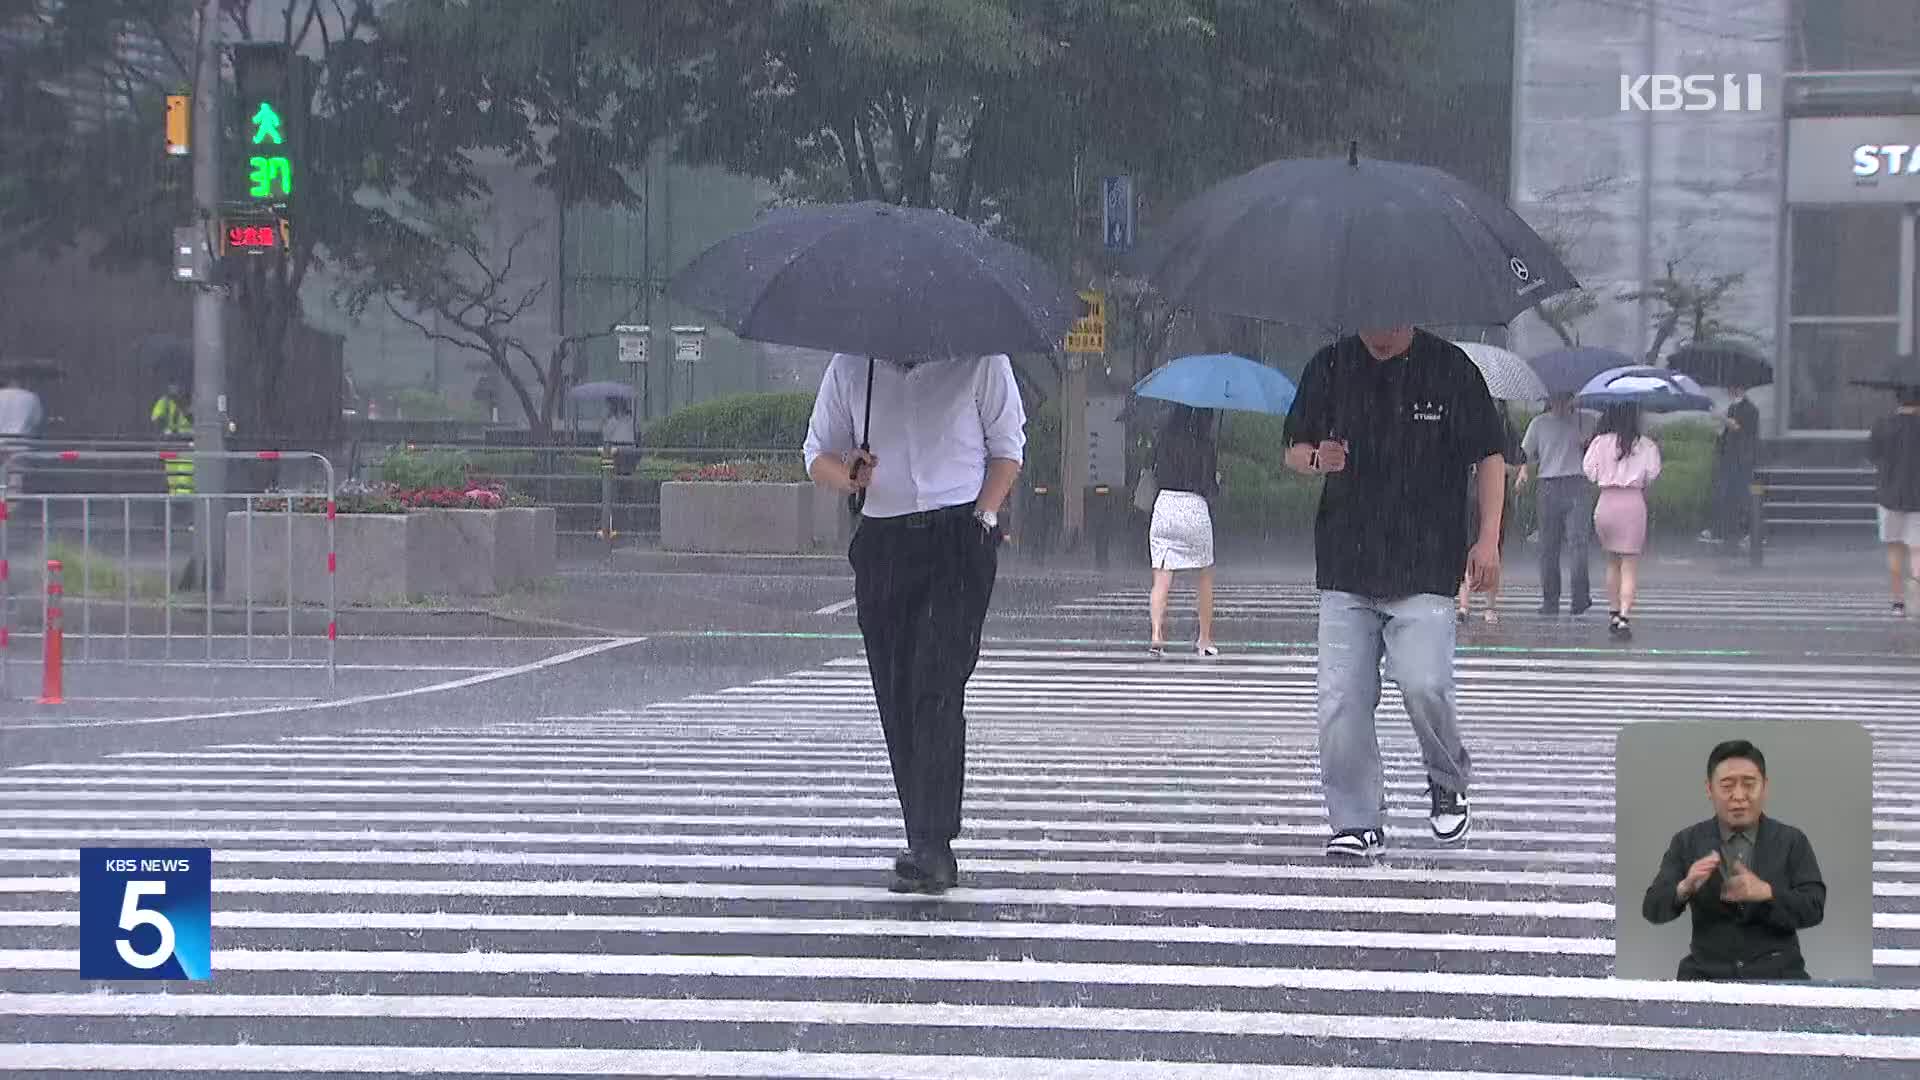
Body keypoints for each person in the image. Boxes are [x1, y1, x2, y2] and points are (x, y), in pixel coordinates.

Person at [803, 351, 1024, 894]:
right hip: (884, 543)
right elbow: (816, 453)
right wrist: (848, 474)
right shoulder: (853, 366)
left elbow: (1007, 450)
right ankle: (921, 830)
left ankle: (934, 845)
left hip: (958, 536)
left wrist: (984, 516)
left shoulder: (982, 358)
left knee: (938, 684)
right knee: (897, 690)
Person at [1282, 326, 1507, 860]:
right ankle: (1356, 820)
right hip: (1346, 564)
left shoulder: (1450, 369)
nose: (1377, 333)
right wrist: (1317, 459)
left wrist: (1489, 539)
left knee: (1424, 683)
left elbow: (1491, 456)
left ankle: (1447, 781)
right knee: (1341, 701)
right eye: (1367, 319)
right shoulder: (1331, 364)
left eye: (1388, 320)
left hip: (1426, 564)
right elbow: (1293, 447)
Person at [1641, 739, 1825, 981]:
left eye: (1749, 784)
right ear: (1709, 789)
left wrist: (1767, 892)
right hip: (1706, 976)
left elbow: (1814, 908)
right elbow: (1652, 908)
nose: (1739, 796)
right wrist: (1684, 888)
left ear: (1765, 786)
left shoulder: (1792, 840)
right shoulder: (1687, 842)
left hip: (1779, 974)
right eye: (1727, 786)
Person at [1146, 404, 1221, 657]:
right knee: (1204, 578)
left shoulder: (1163, 440)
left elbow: (1153, 472)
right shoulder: (1206, 445)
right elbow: (1210, 486)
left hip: (1165, 504)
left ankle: (1157, 634)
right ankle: (1204, 639)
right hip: (1194, 508)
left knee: (1161, 577)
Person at [1583, 402, 1661, 641]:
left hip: (1606, 503)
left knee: (1612, 562)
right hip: (1632, 505)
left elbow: (1589, 472)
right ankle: (1624, 617)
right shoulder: (1647, 445)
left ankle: (1613, 612)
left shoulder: (1599, 443)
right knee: (1629, 565)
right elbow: (1652, 475)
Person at [1515, 392, 1597, 616]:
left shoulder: (1586, 420)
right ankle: (1550, 600)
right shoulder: (1539, 424)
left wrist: (1586, 445)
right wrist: (1523, 472)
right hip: (1548, 486)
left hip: (1577, 484)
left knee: (1578, 544)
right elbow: (1526, 453)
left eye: (1565, 398)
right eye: (1556, 398)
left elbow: (1600, 453)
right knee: (1548, 548)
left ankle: (1580, 598)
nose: (1560, 403)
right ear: (1549, 400)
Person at [1457, 405, 1525, 624]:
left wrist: (1497, 468)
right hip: (1469, 496)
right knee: (1466, 548)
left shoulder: (1503, 427)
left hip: (1494, 499)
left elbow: (1519, 462)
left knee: (1492, 548)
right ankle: (1464, 605)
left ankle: (1489, 606)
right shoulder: (1465, 422)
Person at [1867, 386, 1920, 616]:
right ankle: (1917, 597)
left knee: (1894, 547)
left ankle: (1898, 602)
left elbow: (1872, 456)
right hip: (1918, 498)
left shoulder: (1883, 424)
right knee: (1917, 550)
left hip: (1889, 496)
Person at [1703, 384, 1761, 549]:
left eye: (1732, 388)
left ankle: (1749, 532)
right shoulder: (1733, 408)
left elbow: (1738, 427)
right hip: (1729, 456)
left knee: (1743, 496)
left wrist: (1722, 418)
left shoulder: (1749, 409)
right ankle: (1722, 530)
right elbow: (1728, 430)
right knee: (1725, 494)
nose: (1729, 392)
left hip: (1742, 458)